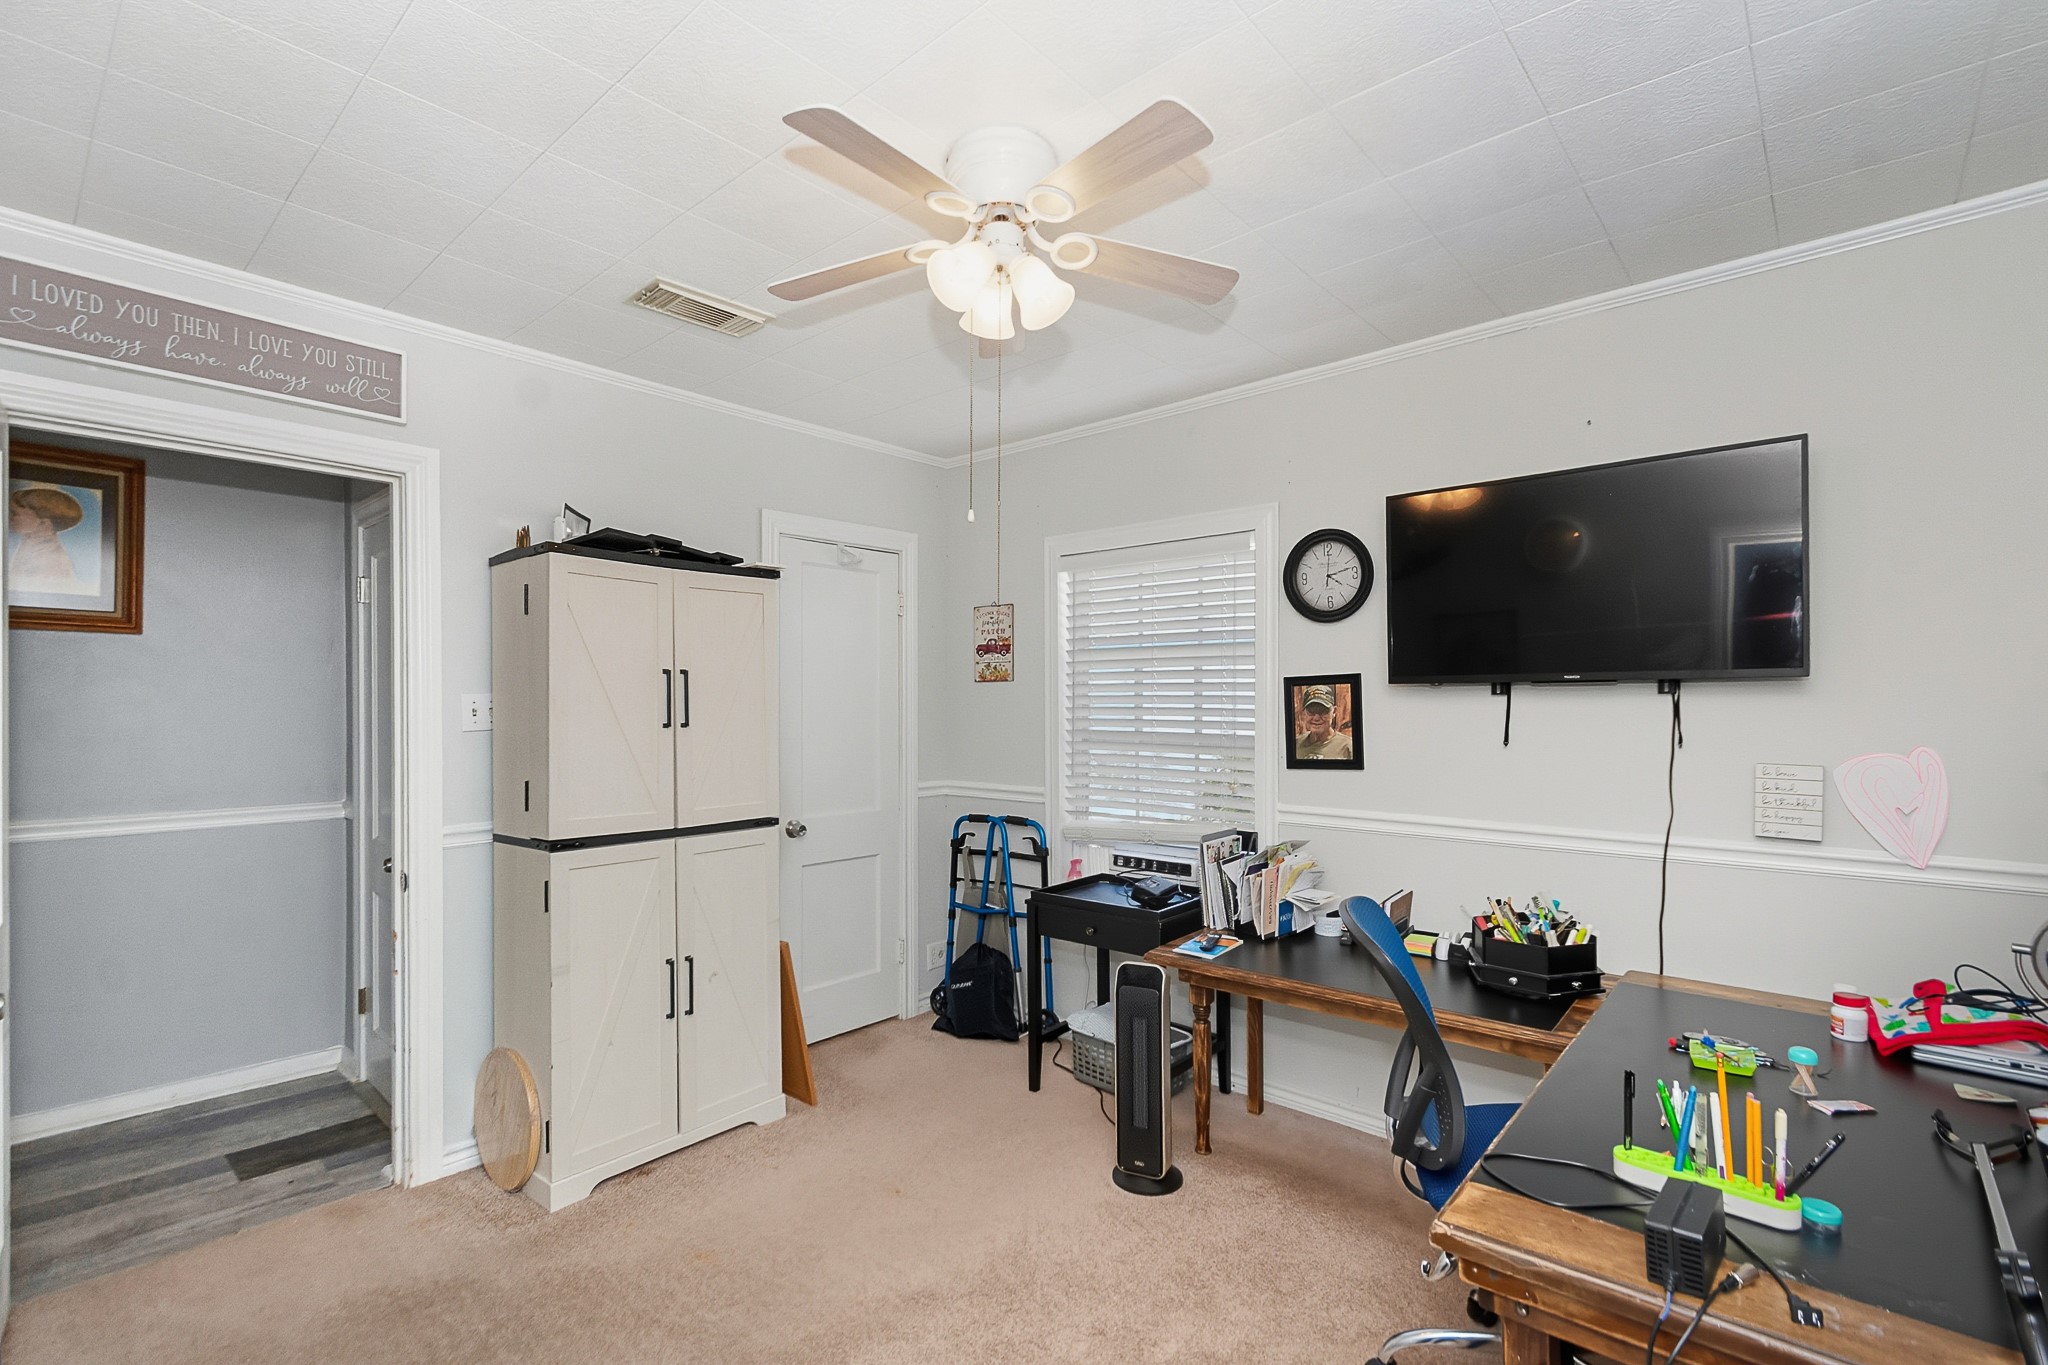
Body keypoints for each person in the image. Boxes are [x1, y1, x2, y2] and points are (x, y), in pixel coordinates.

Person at [9, 485, 86, 593]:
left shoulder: (51, 559)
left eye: (15, 514)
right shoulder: (30, 543)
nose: (9, 518)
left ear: (44, 524)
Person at [1295, 684, 1353, 760]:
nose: (1316, 718)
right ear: (1304, 713)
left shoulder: (1348, 746)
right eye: (1311, 711)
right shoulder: (1295, 744)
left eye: (1323, 711)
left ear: (1334, 712)